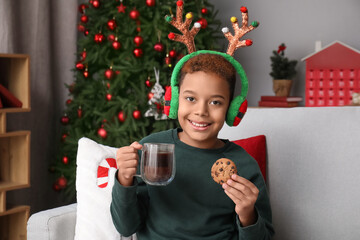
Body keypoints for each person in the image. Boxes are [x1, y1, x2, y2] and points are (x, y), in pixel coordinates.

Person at [110, 53, 274, 239]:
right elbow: (126, 227)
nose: (201, 111)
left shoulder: (244, 165)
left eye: (215, 102)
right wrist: (124, 179)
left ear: (231, 109)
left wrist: (247, 215)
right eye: (190, 99)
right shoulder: (151, 150)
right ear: (174, 100)